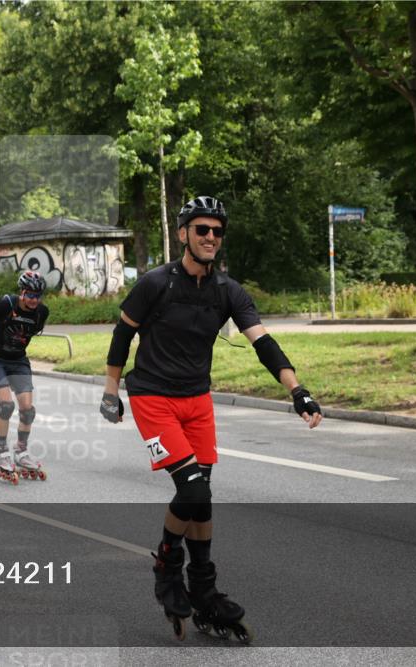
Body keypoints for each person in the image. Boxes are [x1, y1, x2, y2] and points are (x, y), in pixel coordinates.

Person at [99, 196, 323, 642]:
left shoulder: (227, 291)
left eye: (217, 232)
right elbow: (123, 333)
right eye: (201, 229)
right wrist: (110, 391)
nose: (210, 238)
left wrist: (297, 390)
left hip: (196, 400)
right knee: (193, 488)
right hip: (153, 397)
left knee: (202, 499)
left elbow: (263, 342)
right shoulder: (155, 284)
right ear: (183, 233)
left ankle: (203, 589)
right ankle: (167, 565)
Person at [0, 271, 50, 484]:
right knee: (7, 406)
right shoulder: (6, 304)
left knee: (28, 410)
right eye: (30, 295)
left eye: (38, 296)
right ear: (22, 292)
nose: (34, 300)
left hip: (18, 360)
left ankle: (21, 451)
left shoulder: (41, 313)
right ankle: (2, 453)